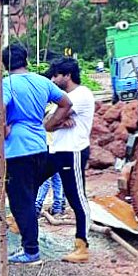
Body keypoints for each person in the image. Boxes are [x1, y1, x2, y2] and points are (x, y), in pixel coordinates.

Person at [2, 43, 73, 263]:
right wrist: (49, 123)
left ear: (5, 64)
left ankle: (31, 251)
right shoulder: (42, 81)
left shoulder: (7, 83)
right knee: (29, 194)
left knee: (21, 201)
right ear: (26, 60)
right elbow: (66, 103)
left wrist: (4, 128)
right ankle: (29, 243)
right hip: (40, 146)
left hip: (17, 151)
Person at [44, 57, 95, 263]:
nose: (53, 79)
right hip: (57, 149)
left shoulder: (81, 95)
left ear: (68, 76)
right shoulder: (63, 99)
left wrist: (55, 120)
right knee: (33, 180)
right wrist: (56, 120)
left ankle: (82, 246)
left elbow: (49, 122)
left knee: (76, 198)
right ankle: (18, 221)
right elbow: (48, 121)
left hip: (72, 151)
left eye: (56, 75)